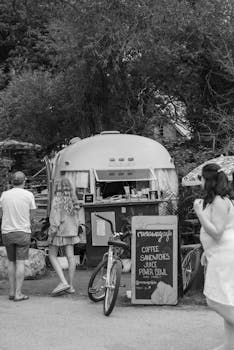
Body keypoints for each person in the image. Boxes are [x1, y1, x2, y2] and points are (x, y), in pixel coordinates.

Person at [193, 163, 234, 350]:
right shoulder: (218, 200)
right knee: (227, 300)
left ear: (208, 180)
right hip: (219, 254)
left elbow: (217, 232)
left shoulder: (219, 201)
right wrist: (206, 253)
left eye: (201, 178)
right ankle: (229, 345)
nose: (199, 182)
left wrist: (200, 214)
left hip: (225, 256)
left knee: (215, 300)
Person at [0, 171, 36, 302]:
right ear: (24, 181)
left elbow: (1, 213)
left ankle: (10, 291)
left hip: (7, 232)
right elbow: (32, 216)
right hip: (22, 232)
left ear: (11, 182)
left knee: (11, 261)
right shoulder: (28, 195)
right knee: (20, 262)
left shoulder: (4, 195)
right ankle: (18, 293)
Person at [48, 177, 80, 296]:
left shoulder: (56, 200)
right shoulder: (73, 200)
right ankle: (71, 286)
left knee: (52, 255)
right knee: (71, 258)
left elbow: (54, 221)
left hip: (59, 232)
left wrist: (51, 235)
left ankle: (63, 281)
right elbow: (77, 220)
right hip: (71, 232)